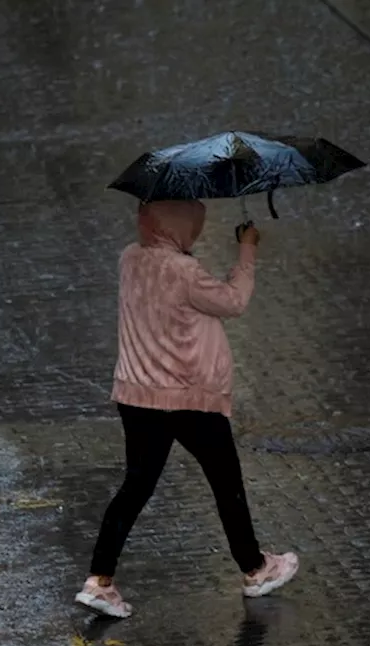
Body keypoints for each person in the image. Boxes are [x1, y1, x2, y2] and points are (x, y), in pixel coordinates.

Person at [77, 199, 299, 619]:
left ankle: (99, 581)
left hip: (137, 395)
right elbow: (233, 301)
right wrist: (247, 249)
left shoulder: (129, 258)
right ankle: (255, 568)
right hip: (188, 397)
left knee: (136, 487)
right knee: (225, 482)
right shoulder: (184, 271)